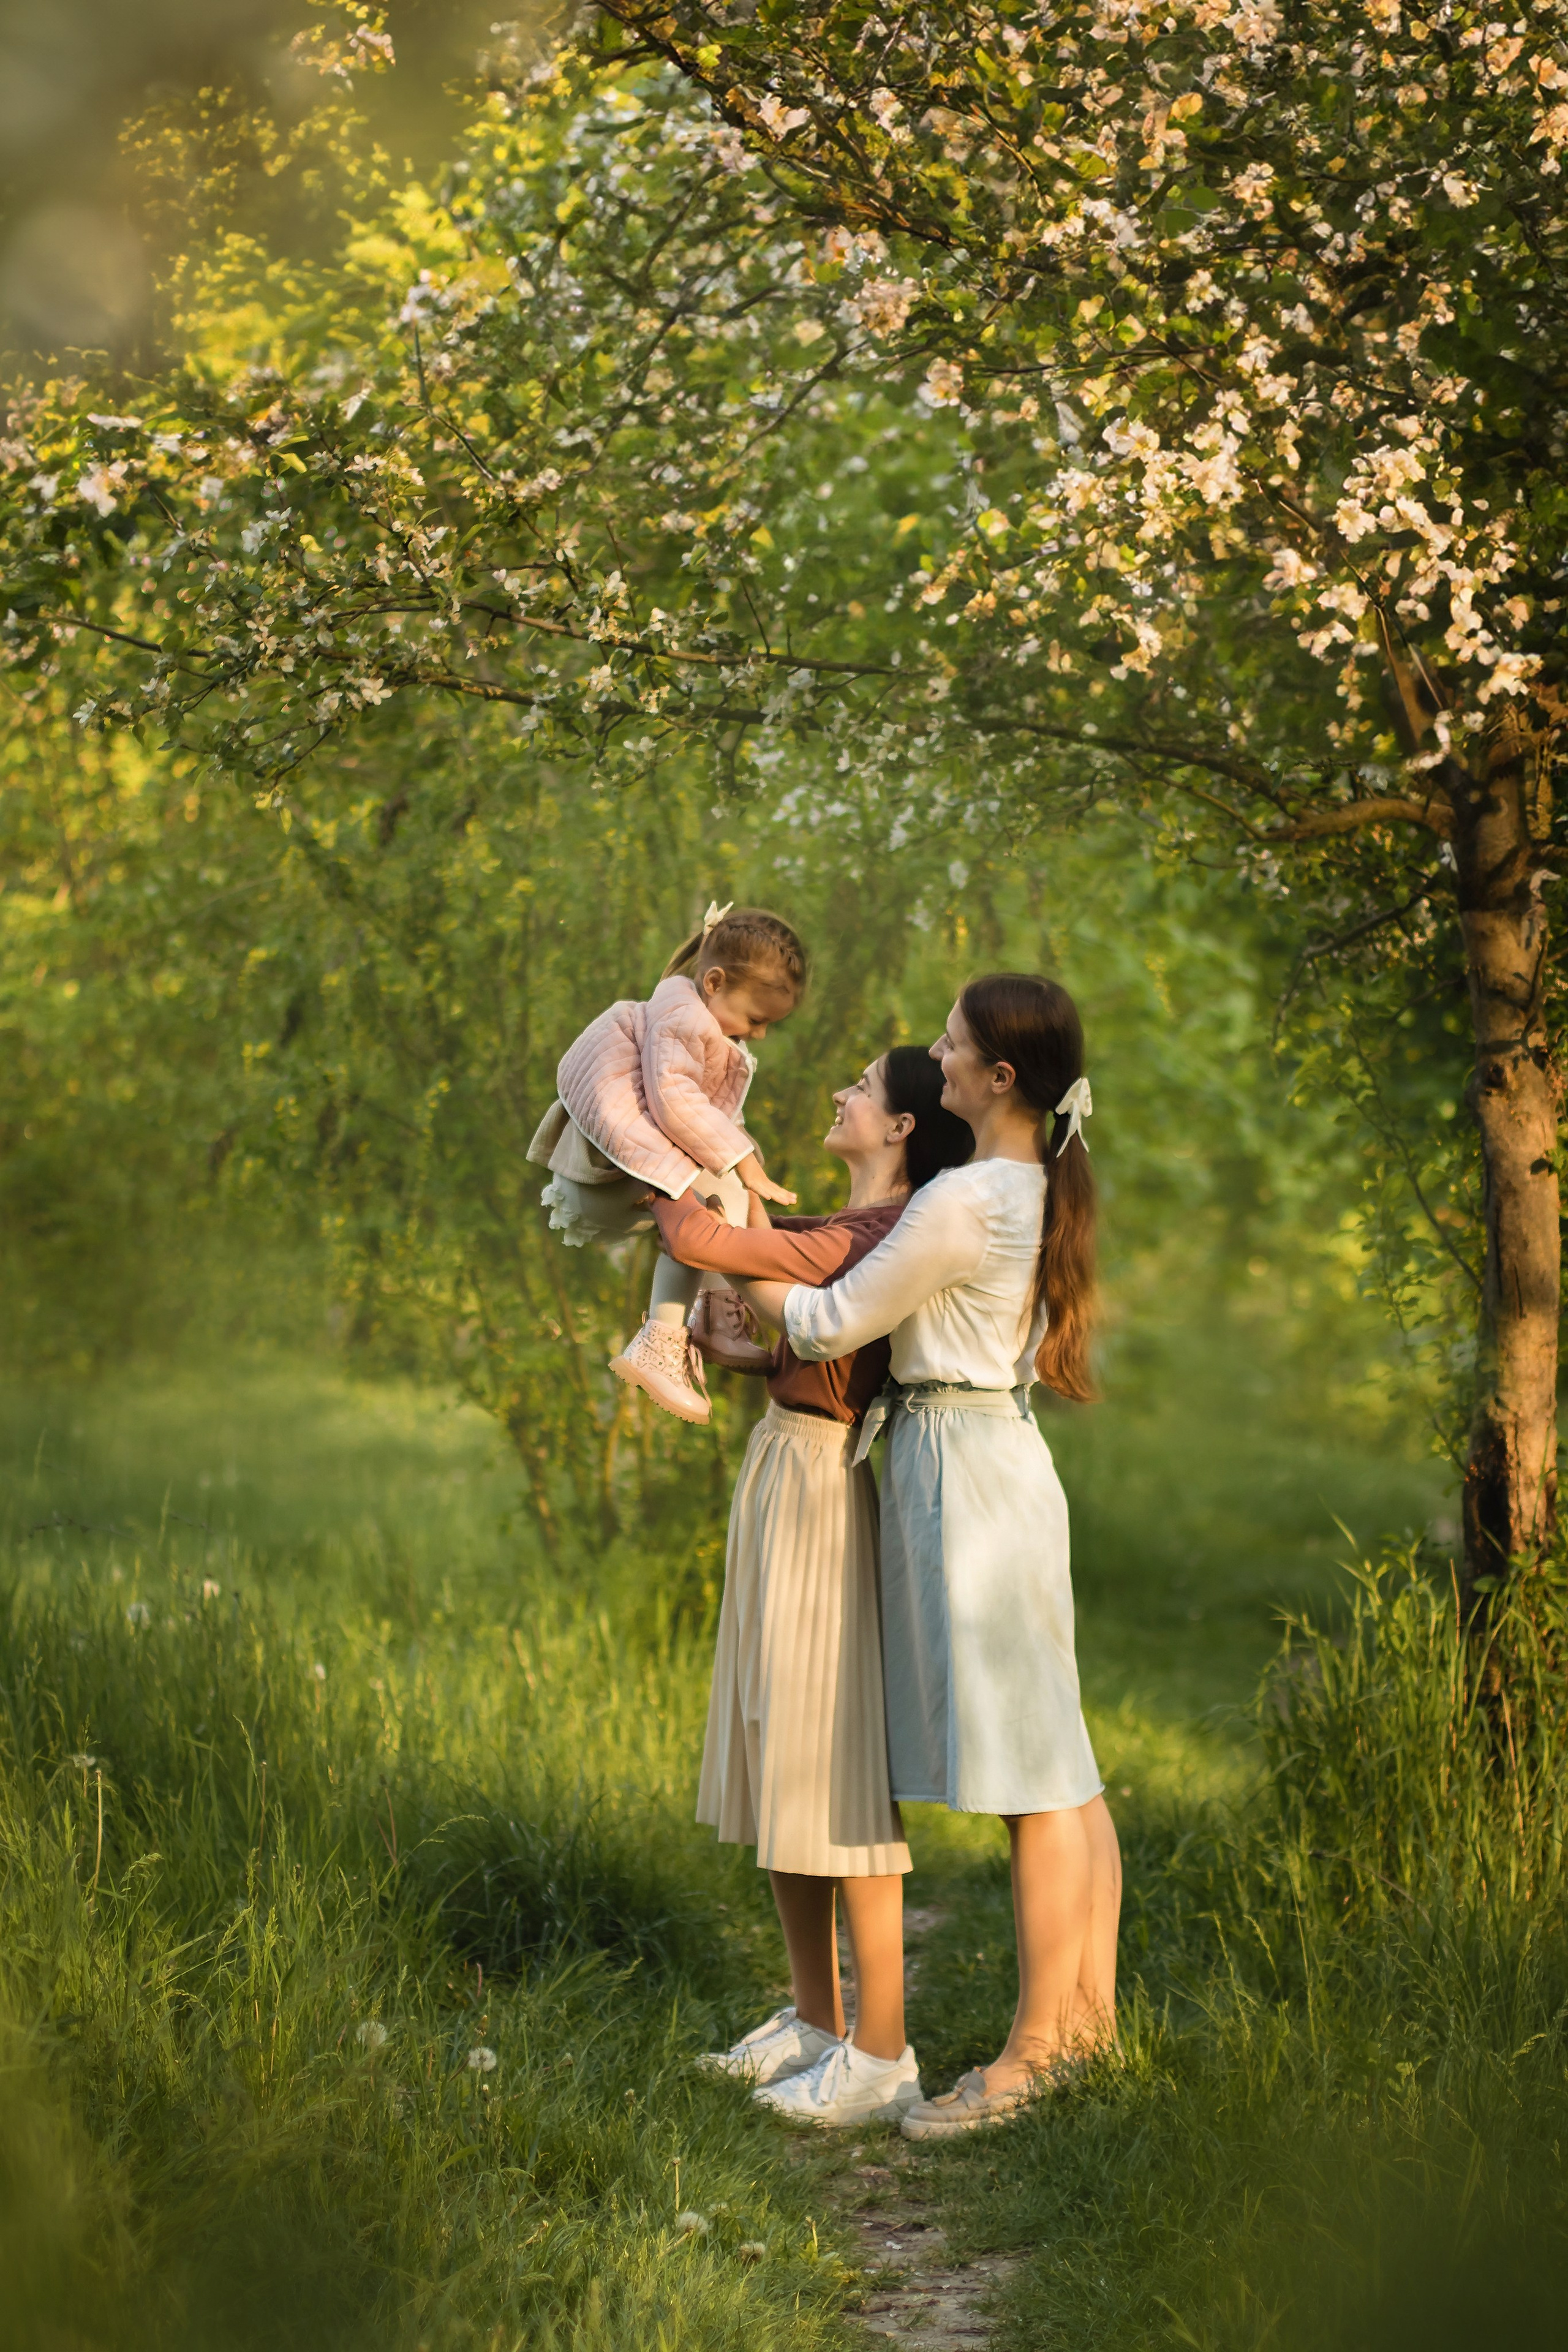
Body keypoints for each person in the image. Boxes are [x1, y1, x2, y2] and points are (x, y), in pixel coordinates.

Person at [735, 974, 1122, 2140]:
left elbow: (823, 1322)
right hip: (986, 1453)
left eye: (953, 1046)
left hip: (970, 1475)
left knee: (1035, 1779)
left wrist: (715, 1235)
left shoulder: (968, 1200)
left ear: (1001, 1079)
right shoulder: (1016, 1184)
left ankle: (1040, 2052)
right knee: (1063, 1769)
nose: (936, 1058)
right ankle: (1084, 2025)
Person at [653, 1046, 971, 2128]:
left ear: (899, 1130)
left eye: (861, 1088)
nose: (839, 1095)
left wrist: (642, 1136)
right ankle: (815, 2018)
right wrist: (736, 1352)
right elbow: (805, 1351)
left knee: (829, 1761)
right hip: (781, 1465)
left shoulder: (877, 1233)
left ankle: (884, 2048)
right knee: (777, 1748)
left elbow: (702, 1235)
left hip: (823, 1490)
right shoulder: (838, 1233)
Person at [525, 903, 804, 1423]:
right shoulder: (682, 1019)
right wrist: (745, 1164)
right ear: (714, 982)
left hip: (613, 1177)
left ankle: (716, 1314)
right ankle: (661, 1342)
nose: (759, 1034)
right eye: (756, 1019)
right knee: (720, 1192)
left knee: (729, 1187)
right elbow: (673, 1099)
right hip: (601, 1175)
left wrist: (744, 1160)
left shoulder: (694, 1018)